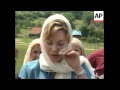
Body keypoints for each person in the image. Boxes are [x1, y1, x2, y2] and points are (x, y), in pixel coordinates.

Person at [19, 14, 95, 79]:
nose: (54, 49)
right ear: (42, 42)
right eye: (49, 43)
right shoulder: (30, 70)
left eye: (60, 44)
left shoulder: (81, 66)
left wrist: (78, 69)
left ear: (68, 43)